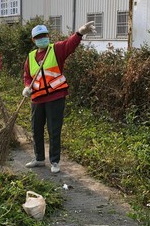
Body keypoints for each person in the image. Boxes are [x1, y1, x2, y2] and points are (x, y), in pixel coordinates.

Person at [22, 21, 96, 173]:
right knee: (36, 129)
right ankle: (39, 159)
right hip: (37, 98)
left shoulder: (56, 49)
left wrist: (80, 33)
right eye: (38, 37)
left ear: (48, 36)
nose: (42, 39)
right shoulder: (30, 57)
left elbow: (70, 44)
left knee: (53, 130)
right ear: (33, 40)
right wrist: (26, 87)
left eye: (44, 36)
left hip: (55, 97)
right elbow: (27, 76)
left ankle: (54, 161)